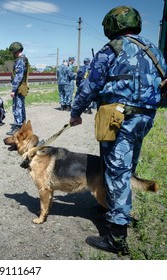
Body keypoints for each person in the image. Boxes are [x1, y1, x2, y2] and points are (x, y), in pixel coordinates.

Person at [69, 6, 166, 255]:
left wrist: (76, 112)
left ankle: (116, 236)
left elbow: (90, 85)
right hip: (145, 118)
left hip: (119, 119)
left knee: (117, 172)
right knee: (126, 166)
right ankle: (112, 206)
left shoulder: (112, 48)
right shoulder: (153, 50)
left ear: (112, 24)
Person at [6, 42, 29, 135]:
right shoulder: (24, 59)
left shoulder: (20, 60)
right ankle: (23, 125)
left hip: (19, 87)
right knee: (21, 106)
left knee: (17, 107)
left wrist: (13, 90)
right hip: (22, 86)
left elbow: (18, 76)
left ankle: (18, 127)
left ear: (15, 50)